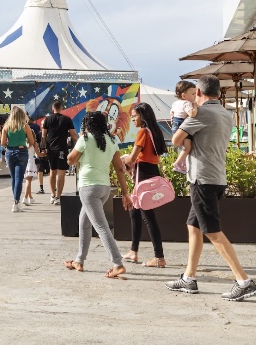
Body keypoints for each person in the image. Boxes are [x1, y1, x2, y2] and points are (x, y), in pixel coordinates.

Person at [166, 75, 256, 301]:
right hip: (217, 177)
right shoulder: (226, 115)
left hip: (202, 179)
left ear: (198, 92)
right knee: (193, 226)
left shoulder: (203, 113)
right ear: (218, 92)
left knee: (211, 231)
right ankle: (189, 278)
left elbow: (176, 140)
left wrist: (187, 117)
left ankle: (243, 281)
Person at [64, 111, 133, 278]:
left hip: (88, 188)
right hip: (104, 188)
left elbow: (70, 160)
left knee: (101, 227)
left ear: (87, 125)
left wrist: (79, 141)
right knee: (84, 222)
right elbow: (119, 169)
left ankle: (117, 263)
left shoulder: (85, 139)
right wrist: (125, 193)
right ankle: (79, 260)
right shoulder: (111, 141)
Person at [120, 102, 168, 268]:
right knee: (135, 212)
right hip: (152, 171)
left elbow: (132, 158)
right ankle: (134, 251)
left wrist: (122, 159)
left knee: (148, 217)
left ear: (143, 115)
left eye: (135, 116)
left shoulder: (142, 132)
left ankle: (159, 257)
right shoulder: (155, 131)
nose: (133, 119)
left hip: (143, 173)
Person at [0, 106, 36, 212]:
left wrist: (11, 144)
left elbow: (2, 143)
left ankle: (16, 201)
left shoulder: (6, 126)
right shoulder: (25, 126)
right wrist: (25, 146)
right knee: (19, 178)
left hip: (9, 152)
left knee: (13, 178)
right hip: (22, 152)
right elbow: (32, 141)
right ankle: (16, 202)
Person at [42, 102, 78, 205]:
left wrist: (44, 148)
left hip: (51, 150)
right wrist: (78, 145)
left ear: (53, 108)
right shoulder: (67, 119)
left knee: (52, 173)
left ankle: (53, 195)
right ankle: (58, 196)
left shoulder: (47, 120)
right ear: (61, 108)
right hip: (62, 149)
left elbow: (44, 135)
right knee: (61, 174)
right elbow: (73, 135)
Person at [171, 81, 198, 173]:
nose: (195, 96)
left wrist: (172, 120)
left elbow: (172, 113)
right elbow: (192, 114)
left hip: (175, 125)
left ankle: (182, 164)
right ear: (184, 96)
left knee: (183, 147)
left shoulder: (175, 103)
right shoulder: (187, 103)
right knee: (187, 148)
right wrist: (195, 106)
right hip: (183, 126)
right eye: (193, 94)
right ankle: (178, 163)